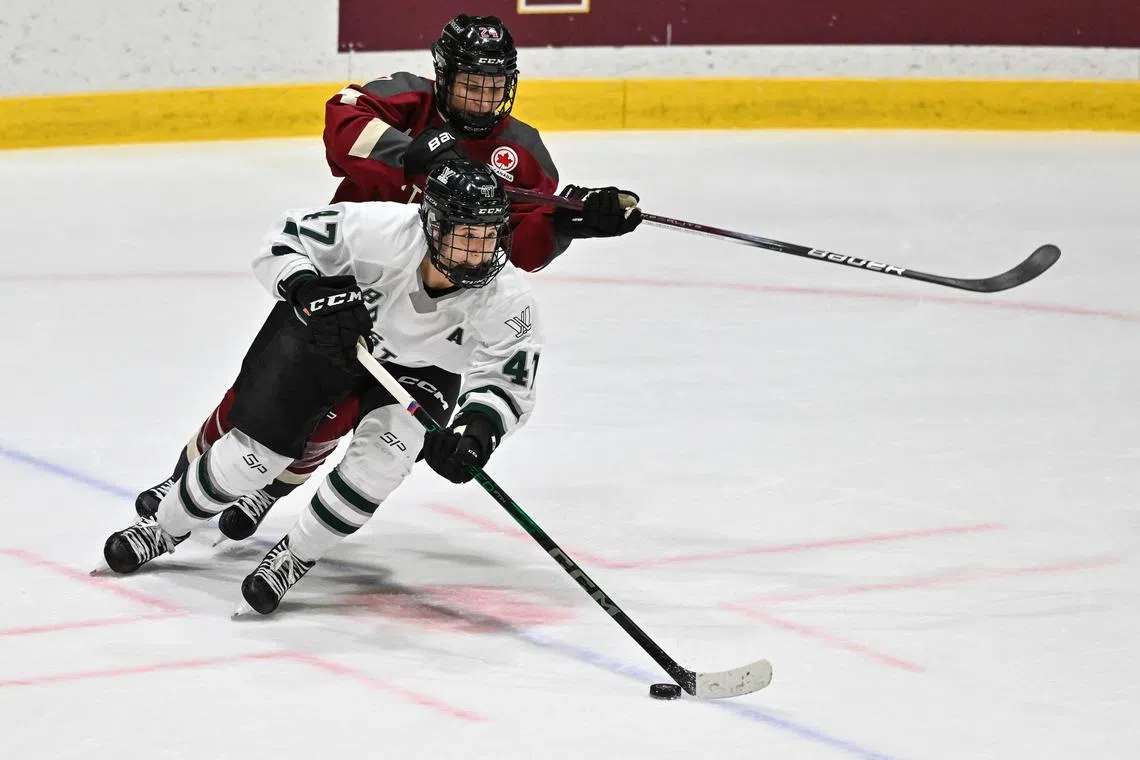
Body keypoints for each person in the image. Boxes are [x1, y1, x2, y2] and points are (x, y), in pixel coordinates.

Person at [133, 14, 639, 540]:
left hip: (425, 314)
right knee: (256, 400)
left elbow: (516, 251)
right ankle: (180, 483)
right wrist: (410, 152)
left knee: (335, 418)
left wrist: (567, 221)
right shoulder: (406, 100)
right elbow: (341, 123)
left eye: (495, 87)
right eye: (472, 84)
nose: (484, 100)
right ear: (443, 76)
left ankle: (269, 491)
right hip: (340, 287)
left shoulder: (524, 155)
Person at [101, 160, 542, 615]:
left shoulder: (509, 300)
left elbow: (506, 381)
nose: (478, 252)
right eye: (465, 235)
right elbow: (285, 236)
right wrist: (307, 288)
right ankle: (165, 528)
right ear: (433, 224)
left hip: (422, 373)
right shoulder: (380, 232)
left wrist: (476, 433)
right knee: (253, 458)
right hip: (337, 339)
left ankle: (294, 556)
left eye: (488, 236)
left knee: (382, 464)